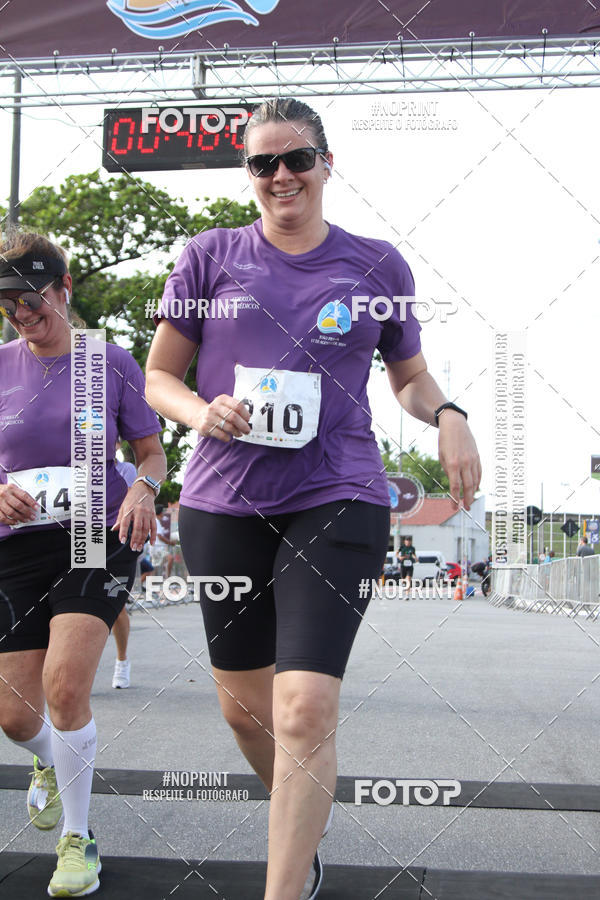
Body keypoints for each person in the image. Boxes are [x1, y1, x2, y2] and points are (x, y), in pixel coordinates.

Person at [145, 98, 481, 900]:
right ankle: (304, 812)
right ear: (249, 175)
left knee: (302, 712)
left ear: (329, 164)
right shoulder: (208, 257)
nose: (282, 175)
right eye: (264, 163)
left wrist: (450, 414)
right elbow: (160, 375)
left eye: (297, 158)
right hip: (223, 504)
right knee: (247, 715)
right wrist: (202, 411)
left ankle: (284, 886)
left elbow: (408, 376)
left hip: (338, 493)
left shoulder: (376, 266)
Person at [0, 229, 165, 897]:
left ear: (64, 289)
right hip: (17, 543)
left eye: (32, 297)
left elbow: (151, 453)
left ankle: (77, 838)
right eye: (8, 301)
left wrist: (146, 488)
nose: (21, 312)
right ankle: (51, 760)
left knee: (65, 688)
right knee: (15, 715)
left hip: (94, 533)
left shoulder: (109, 362)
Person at [112, 440, 139, 689]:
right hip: (87, 539)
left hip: (118, 539)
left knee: (115, 604)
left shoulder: (127, 470)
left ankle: (122, 660)